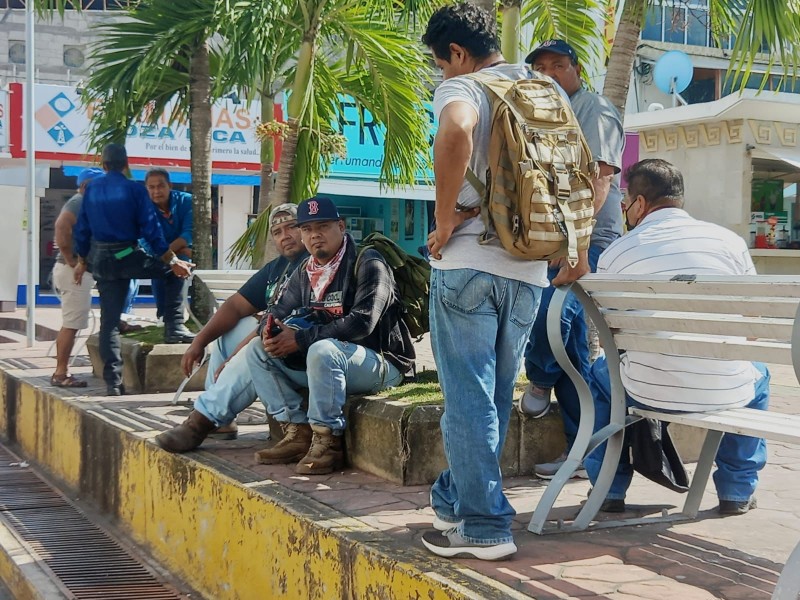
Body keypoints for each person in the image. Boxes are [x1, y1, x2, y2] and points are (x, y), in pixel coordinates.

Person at [417, 3, 591, 562]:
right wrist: (577, 245)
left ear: (459, 54)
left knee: (468, 401)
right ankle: (453, 498)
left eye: (442, 63)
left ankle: (486, 525)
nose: (443, 74)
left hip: (468, 265)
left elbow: (455, 132)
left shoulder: (464, 88)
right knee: (489, 398)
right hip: (528, 270)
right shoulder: (544, 89)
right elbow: (577, 171)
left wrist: (445, 219)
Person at [584, 159, 769, 516]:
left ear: (639, 204)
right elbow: (753, 321)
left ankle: (608, 487)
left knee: (600, 376)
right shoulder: (729, 242)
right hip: (725, 388)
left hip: (645, 386)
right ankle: (736, 490)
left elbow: (612, 334)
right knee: (760, 376)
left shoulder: (616, 253)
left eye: (626, 203)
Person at [245, 197, 415, 475]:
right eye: (307, 229)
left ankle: (328, 443)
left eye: (322, 226)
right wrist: (270, 327)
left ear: (341, 226)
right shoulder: (306, 271)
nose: (315, 235)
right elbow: (279, 308)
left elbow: (363, 323)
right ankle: (297, 432)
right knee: (257, 351)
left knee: (321, 350)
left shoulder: (368, 261)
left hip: (382, 363)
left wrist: (299, 339)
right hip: (330, 363)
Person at [521, 39, 625, 480]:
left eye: (558, 66)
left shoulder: (594, 110)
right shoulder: (541, 117)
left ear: (577, 69)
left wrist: (579, 246)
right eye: (540, 68)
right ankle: (583, 452)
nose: (549, 74)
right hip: (553, 237)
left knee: (552, 314)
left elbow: (600, 177)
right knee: (575, 348)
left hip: (589, 239)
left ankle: (540, 379)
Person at [155, 203, 309, 452]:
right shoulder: (277, 268)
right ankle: (221, 421)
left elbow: (281, 324)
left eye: (292, 227)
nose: (285, 236)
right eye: (278, 232)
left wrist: (238, 352)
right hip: (274, 343)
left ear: (306, 229)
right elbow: (235, 306)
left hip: (298, 351)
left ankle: (200, 422)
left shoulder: (312, 264)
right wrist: (199, 341)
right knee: (228, 328)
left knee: (254, 348)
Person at [72, 144, 195, 396]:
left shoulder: (92, 188)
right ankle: (174, 327)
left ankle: (113, 384)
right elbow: (151, 230)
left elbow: (82, 228)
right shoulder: (135, 189)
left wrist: (81, 260)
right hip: (127, 255)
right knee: (173, 272)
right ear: (126, 165)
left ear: (104, 165)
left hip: (101, 259)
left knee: (109, 324)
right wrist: (172, 260)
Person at [50, 167, 104, 388]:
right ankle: (60, 373)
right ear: (84, 186)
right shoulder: (79, 201)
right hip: (73, 272)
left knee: (74, 322)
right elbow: (61, 226)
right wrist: (72, 261)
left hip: (79, 271)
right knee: (71, 324)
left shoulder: (86, 202)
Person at [142, 169, 194, 319]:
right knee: (159, 266)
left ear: (170, 185)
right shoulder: (143, 209)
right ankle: (163, 318)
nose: (156, 191)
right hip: (156, 257)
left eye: (160, 186)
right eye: (151, 187)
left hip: (181, 257)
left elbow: (188, 233)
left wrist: (169, 253)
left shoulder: (186, 201)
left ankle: (174, 320)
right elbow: (146, 243)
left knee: (182, 264)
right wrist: (177, 251)